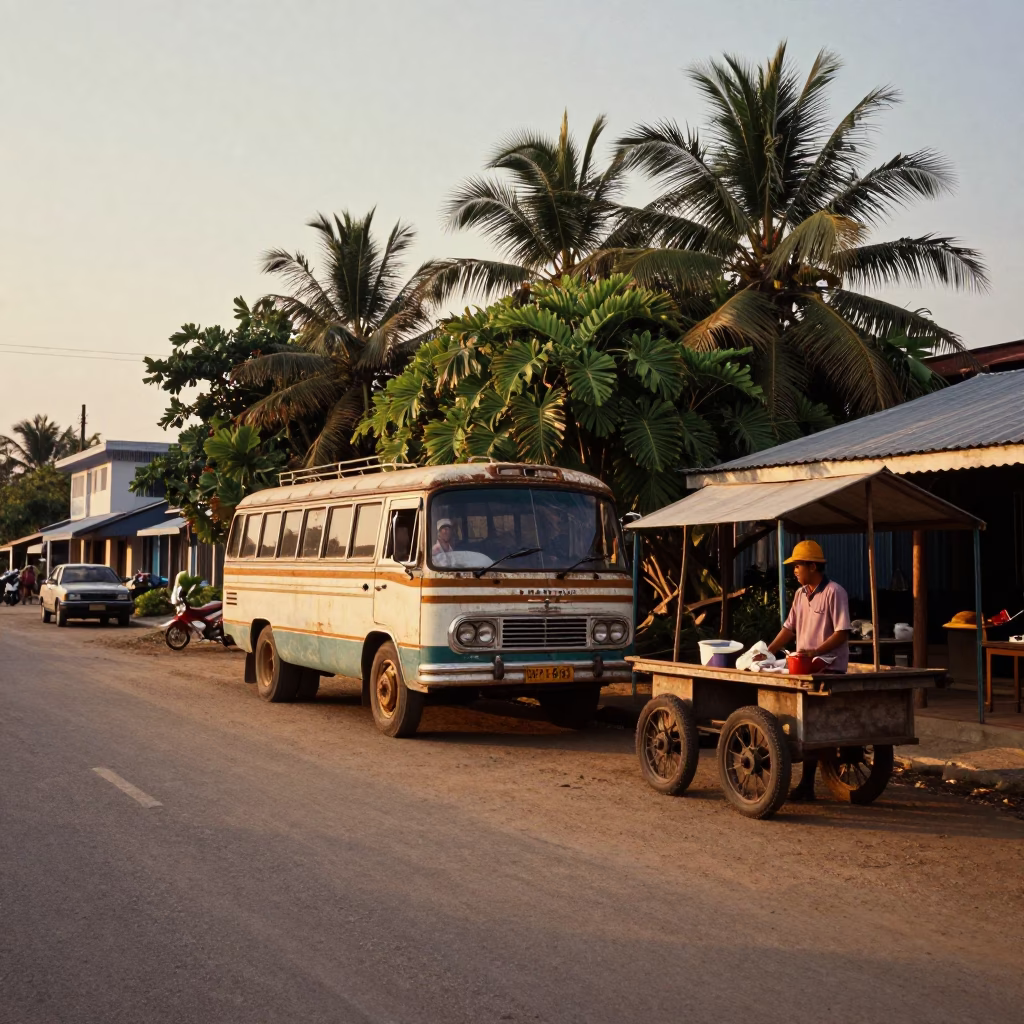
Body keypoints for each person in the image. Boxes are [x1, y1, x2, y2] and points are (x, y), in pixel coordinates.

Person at [764, 540, 851, 801]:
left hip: (829, 669)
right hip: (803, 669)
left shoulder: (835, 592)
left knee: (812, 726)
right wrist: (768, 651)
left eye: (798, 565)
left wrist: (815, 652)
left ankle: (807, 785)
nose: (795, 571)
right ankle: (806, 782)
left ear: (813, 566)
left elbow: (842, 632)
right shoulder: (801, 594)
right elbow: (789, 629)